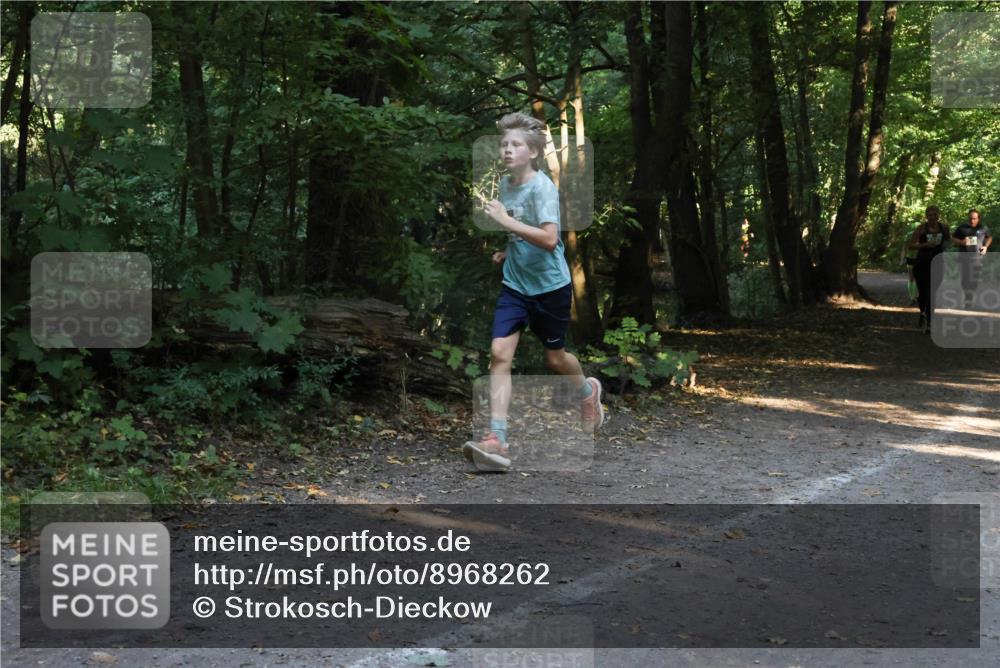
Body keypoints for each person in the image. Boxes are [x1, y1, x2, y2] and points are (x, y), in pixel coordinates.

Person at [462, 112, 604, 472]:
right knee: (498, 354)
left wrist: (507, 223)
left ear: (534, 152)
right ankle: (497, 438)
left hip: (550, 288)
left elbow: (549, 238)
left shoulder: (543, 187)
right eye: (504, 144)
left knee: (555, 359)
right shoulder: (507, 185)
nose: (507, 150)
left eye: (516, 145)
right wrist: (508, 249)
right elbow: (522, 233)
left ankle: (588, 393)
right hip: (515, 284)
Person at [907, 205, 950, 333]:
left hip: (938, 263)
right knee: (923, 294)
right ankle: (922, 311)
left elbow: (948, 241)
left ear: (938, 215)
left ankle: (930, 323)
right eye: (930, 215)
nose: (932, 217)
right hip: (922, 264)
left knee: (932, 293)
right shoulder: (921, 228)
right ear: (926, 216)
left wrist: (943, 247)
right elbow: (910, 245)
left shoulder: (944, 228)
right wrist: (924, 245)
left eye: (935, 214)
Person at [951, 208, 992, 308]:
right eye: (970, 218)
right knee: (965, 280)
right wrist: (961, 242)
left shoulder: (983, 228)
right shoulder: (962, 228)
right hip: (964, 257)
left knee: (974, 279)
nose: (972, 221)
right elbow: (952, 237)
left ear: (979, 219)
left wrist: (985, 246)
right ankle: (967, 297)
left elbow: (989, 237)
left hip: (977, 258)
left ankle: (969, 298)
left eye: (974, 218)